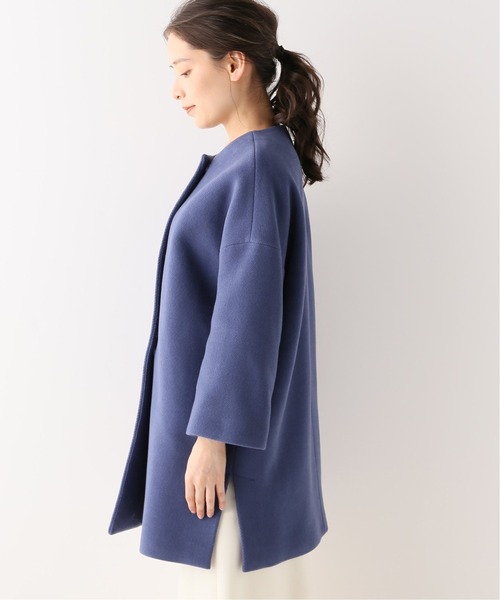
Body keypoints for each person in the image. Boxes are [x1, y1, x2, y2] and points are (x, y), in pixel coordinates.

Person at [108, 0, 330, 597]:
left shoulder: (253, 167)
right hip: (226, 445)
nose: (176, 90)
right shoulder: (257, 159)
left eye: (185, 70)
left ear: (234, 64)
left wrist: (210, 441)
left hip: (224, 458)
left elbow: (246, 319)